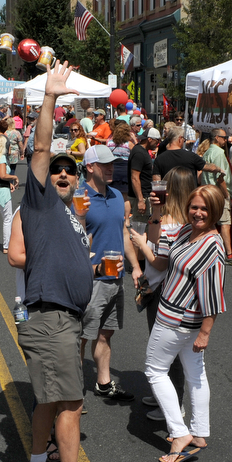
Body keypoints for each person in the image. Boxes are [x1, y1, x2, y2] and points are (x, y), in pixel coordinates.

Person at [7, 60, 103, 462]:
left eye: (70, 170)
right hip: (49, 316)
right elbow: (41, 148)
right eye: (57, 170)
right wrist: (51, 96)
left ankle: (38, 460)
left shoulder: (72, 215)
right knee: (70, 402)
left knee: (50, 395)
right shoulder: (41, 203)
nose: (62, 174)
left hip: (66, 316)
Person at [144, 184, 227, 462]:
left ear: (216, 211)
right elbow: (159, 248)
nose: (198, 213)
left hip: (176, 320)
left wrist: (205, 333)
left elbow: (214, 296)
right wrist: (156, 212)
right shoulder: (186, 231)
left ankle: (179, 432)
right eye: (194, 207)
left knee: (155, 370)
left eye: (205, 208)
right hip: (178, 318)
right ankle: (199, 432)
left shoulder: (213, 247)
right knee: (195, 373)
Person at [129, 167, 197, 421]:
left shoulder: (179, 224)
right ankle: (165, 395)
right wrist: (156, 211)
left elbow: (159, 261)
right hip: (161, 289)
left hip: (165, 291)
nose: (161, 189)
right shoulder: (172, 218)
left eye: (166, 186)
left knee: (168, 352)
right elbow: (154, 236)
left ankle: (174, 404)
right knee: (164, 349)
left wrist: (140, 244)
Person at [79, 145, 140, 402]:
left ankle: (103, 383)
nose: (111, 168)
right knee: (80, 336)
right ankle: (71, 393)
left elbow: (124, 234)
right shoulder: (79, 197)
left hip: (116, 277)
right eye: (105, 164)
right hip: (91, 279)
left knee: (106, 332)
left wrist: (135, 266)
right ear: (90, 167)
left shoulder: (116, 195)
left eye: (112, 163)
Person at [201, 128, 232, 265]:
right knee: (225, 223)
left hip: (208, 192)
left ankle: (208, 250)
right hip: (218, 193)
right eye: (223, 137)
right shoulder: (219, 153)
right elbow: (220, 177)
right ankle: (229, 254)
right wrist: (226, 195)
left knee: (210, 223)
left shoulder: (207, 152)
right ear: (217, 138)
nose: (226, 139)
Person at [128, 128, 160, 225]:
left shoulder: (143, 151)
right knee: (141, 229)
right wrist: (141, 200)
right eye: (157, 140)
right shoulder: (139, 153)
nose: (158, 143)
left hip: (145, 195)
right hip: (141, 197)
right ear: (150, 139)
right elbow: (134, 177)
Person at [107, 121, 133, 196]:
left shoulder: (109, 143)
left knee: (112, 195)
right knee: (125, 197)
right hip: (125, 171)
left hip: (113, 170)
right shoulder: (129, 144)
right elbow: (137, 153)